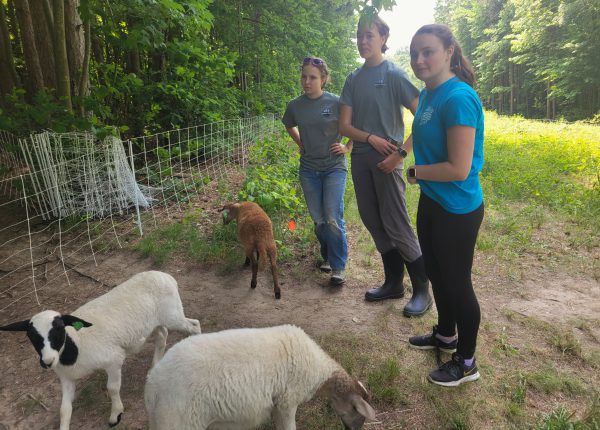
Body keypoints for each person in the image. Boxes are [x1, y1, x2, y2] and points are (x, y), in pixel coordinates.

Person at [406, 24, 485, 387]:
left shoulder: (458, 98)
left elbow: (458, 167)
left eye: (428, 51)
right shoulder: (428, 94)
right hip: (433, 201)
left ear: (449, 51)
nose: (419, 60)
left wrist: (415, 171)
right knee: (437, 274)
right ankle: (446, 334)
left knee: (456, 284)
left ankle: (466, 360)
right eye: (414, 53)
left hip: (457, 209)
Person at [338, 14, 432, 317]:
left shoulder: (393, 74)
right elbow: (345, 125)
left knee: (396, 222)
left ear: (383, 38)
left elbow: (424, 116)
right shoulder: (353, 78)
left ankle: (422, 290)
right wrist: (370, 138)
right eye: (359, 35)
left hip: (388, 162)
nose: (363, 41)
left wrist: (400, 155)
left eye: (370, 35)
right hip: (361, 159)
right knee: (371, 219)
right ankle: (393, 282)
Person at [282, 57, 351, 286]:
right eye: (304, 76)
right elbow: (288, 124)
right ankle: (328, 254)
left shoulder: (336, 102)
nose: (307, 81)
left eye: (312, 77)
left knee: (332, 217)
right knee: (319, 220)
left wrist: (347, 146)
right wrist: (300, 142)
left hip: (334, 167)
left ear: (323, 79)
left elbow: (356, 124)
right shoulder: (295, 105)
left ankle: (338, 266)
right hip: (309, 169)